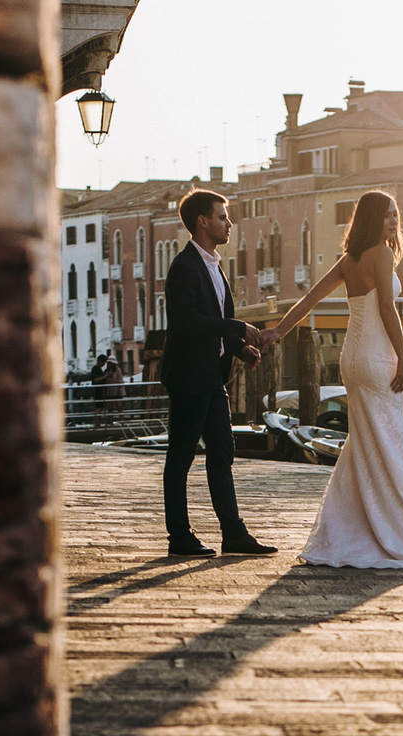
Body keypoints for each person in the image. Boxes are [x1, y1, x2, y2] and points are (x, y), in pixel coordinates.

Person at [260, 191, 403, 571]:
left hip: (351, 360)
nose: (394, 221)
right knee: (394, 443)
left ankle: (357, 527)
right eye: (386, 216)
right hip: (377, 358)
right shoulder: (381, 254)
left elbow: (309, 300)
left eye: (396, 214)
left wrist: (277, 332)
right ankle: (402, 533)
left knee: (366, 444)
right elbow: (387, 307)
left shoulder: (348, 260)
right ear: (370, 219)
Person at [160, 188, 276, 557]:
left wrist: (241, 350)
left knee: (222, 452)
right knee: (181, 456)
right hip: (189, 377)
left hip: (211, 376)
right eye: (223, 217)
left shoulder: (215, 265)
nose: (230, 224)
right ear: (202, 221)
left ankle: (233, 533)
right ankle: (179, 537)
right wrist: (238, 328)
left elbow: (213, 327)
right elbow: (190, 323)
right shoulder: (183, 268)